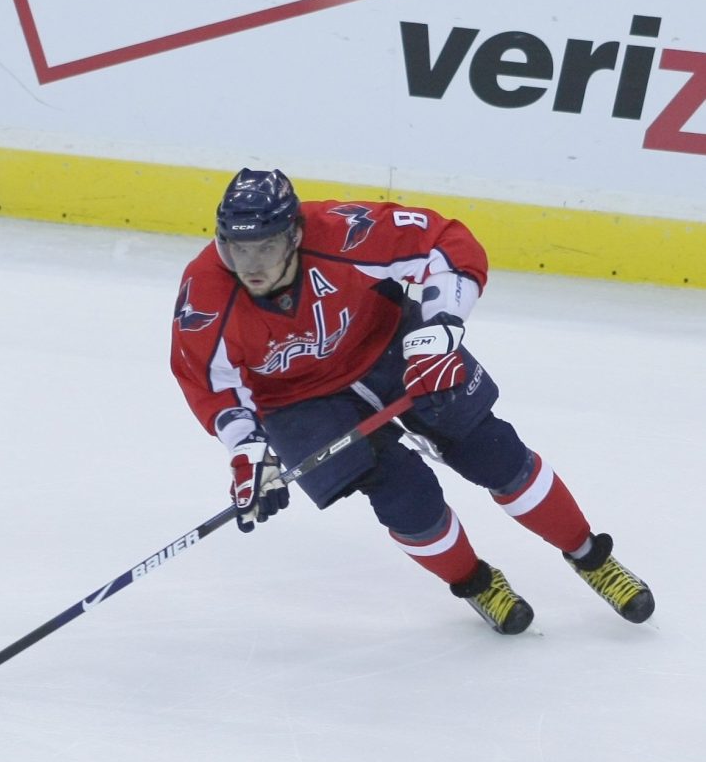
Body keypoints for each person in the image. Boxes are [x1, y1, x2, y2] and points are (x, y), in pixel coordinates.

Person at [170, 168, 654, 634]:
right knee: (407, 502)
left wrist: (440, 327)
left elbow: (447, 242)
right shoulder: (205, 293)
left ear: (295, 234)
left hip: (387, 347)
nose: (251, 265)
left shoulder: (344, 233)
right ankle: (477, 585)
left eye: (266, 247)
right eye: (238, 248)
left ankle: (593, 558)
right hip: (298, 404)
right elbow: (211, 384)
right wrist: (247, 449)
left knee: (493, 452)